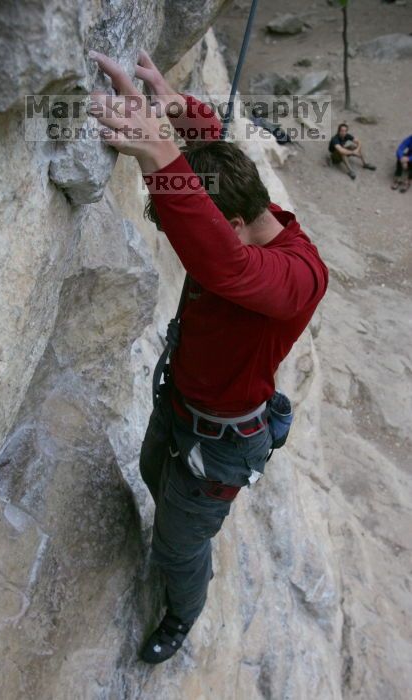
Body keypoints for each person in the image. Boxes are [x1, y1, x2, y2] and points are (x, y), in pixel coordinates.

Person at [88, 50, 329, 664]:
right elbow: (216, 147)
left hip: (221, 445)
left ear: (241, 225)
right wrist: (173, 113)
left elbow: (226, 263)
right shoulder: (249, 208)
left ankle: (181, 612)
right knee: (152, 473)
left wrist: (159, 155)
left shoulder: (299, 277)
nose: (182, 249)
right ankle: (176, 530)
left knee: (176, 549)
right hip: (180, 401)